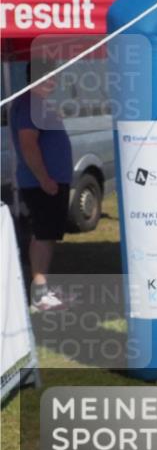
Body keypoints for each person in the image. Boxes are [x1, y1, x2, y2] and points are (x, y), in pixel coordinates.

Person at [10, 62, 73, 311]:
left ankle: (43, 289)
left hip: (48, 182)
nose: (53, 82)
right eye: (48, 77)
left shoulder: (37, 104)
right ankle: (39, 294)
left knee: (47, 234)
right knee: (43, 235)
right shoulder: (30, 105)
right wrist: (44, 178)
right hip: (42, 183)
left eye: (54, 77)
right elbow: (28, 144)